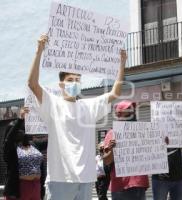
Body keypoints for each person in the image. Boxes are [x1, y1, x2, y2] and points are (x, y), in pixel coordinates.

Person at [27, 34, 127, 200]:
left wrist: (122, 63)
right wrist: (39, 51)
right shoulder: (53, 103)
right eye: (70, 79)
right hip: (61, 179)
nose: (75, 83)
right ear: (61, 84)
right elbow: (32, 84)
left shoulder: (88, 106)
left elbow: (115, 92)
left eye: (78, 80)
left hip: (86, 179)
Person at [103, 100, 149, 200]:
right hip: (120, 186)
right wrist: (112, 149)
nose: (132, 112)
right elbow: (106, 161)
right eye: (128, 109)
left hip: (139, 185)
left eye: (132, 109)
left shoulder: (143, 131)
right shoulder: (112, 133)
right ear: (119, 113)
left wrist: (161, 143)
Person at [3, 107, 44, 200]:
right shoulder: (10, 148)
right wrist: (20, 119)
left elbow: (49, 141)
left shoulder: (33, 144)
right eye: (17, 130)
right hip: (19, 188)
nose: (20, 131)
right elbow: (9, 139)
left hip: (36, 186)